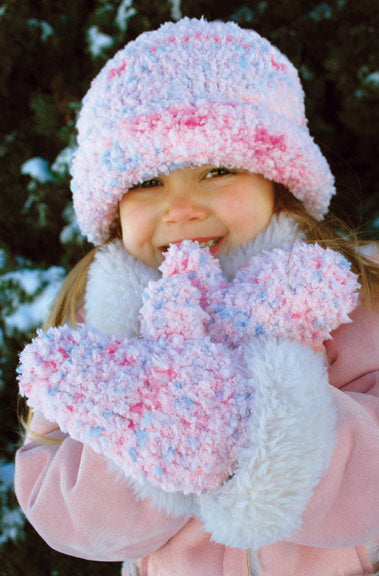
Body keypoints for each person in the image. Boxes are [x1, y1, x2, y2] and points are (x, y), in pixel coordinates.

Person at [14, 17, 379, 576]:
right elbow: (59, 506)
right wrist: (154, 417)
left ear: (277, 184)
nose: (181, 208)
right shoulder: (96, 329)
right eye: (148, 181)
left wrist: (250, 418)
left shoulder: (351, 301)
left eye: (218, 170)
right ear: (112, 211)